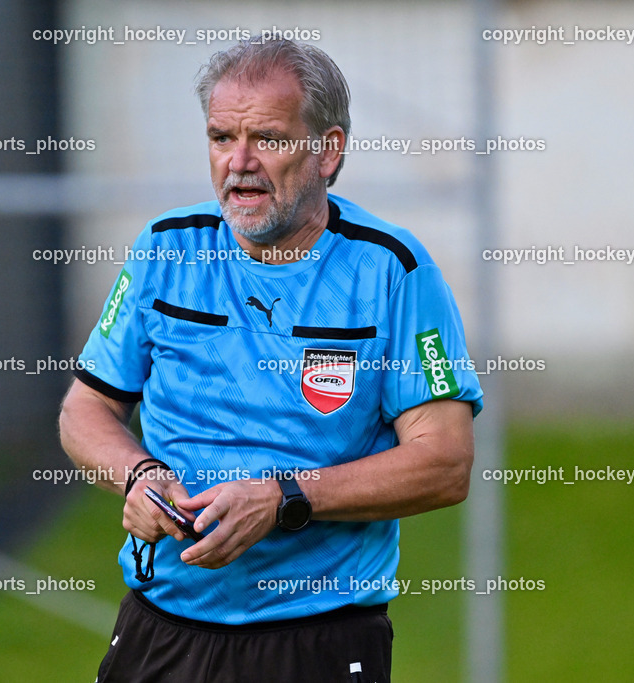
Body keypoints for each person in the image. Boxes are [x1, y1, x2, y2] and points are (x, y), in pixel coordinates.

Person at [58, 37, 483, 683]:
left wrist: (284, 496)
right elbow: (86, 407)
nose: (240, 162)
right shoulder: (167, 247)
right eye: (222, 136)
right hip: (159, 627)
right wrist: (137, 475)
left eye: (269, 139)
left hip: (314, 641)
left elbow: (445, 462)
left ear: (327, 150)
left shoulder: (392, 270)